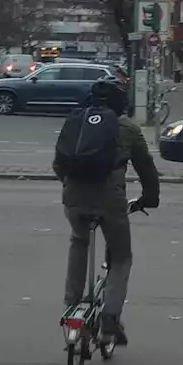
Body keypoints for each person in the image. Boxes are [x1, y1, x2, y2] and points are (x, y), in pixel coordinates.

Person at [54, 79, 160, 346]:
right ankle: (110, 317)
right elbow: (146, 167)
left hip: (74, 197)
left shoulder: (77, 122)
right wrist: (150, 198)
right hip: (110, 200)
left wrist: (71, 185)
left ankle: (72, 303)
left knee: (79, 241)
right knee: (121, 257)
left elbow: (59, 164)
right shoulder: (128, 128)